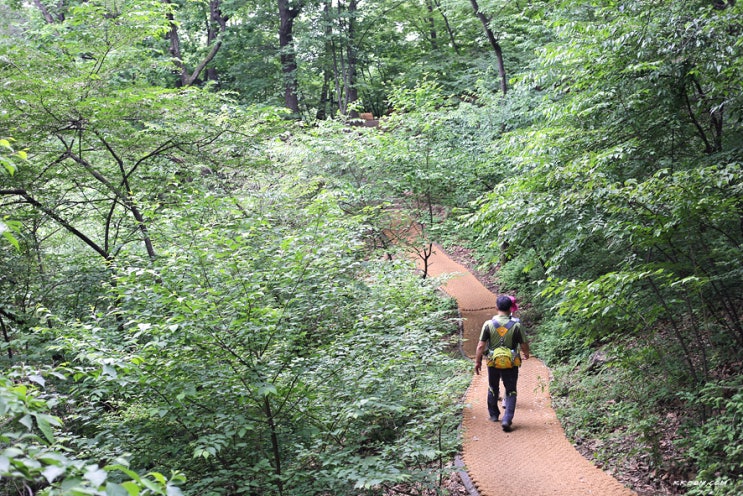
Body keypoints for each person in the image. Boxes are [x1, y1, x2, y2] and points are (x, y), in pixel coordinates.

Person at [474, 295, 530, 432]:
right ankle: (507, 419)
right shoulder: (517, 325)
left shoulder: (488, 324)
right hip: (511, 362)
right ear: (511, 308)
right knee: (511, 390)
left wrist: (478, 361)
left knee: (493, 387)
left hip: (493, 362)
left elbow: (481, 346)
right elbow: (524, 344)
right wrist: (526, 354)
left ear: (496, 307)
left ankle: (493, 415)